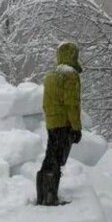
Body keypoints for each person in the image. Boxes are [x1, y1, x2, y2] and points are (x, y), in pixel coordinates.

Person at [36, 41, 83, 206]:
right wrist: (76, 128)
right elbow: (72, 103)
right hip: (63, 122)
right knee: (57, 158)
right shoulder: (70, 74)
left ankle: (42, 196)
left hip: (51, 121)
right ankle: (50, 198)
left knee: (50, 156)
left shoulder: (51, 74)